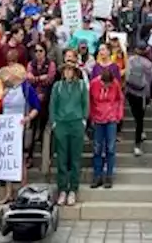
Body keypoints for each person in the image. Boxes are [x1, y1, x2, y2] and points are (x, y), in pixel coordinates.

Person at [0, 64, 40, 203]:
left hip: (19, 126)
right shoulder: (6, 88)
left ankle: (23, 190)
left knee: (20, 159)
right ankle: (8, 192)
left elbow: (36, 106)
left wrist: (28, 118)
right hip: (6, 127)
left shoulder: (26, 88)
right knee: (7, 159)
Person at [50, 59, 88, 207]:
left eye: (70, 70)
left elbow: (85, 103)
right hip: (61, 124)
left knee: (75, 158)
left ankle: (73, 189)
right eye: (65, 70)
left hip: (76, 122)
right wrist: (54, 122)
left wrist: (84, 119)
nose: (68, 72)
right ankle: (62, 189)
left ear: (75, 72)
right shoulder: (57, 86)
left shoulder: (81, 85)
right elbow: (53, 104)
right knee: (62, 159)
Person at [89, 65, 123, 189]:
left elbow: (119, 99)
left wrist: (118, 115)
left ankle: (109, 176)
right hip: (98, 118)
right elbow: (91, 100)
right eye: (105, 84)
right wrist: (91, 116)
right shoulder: (94, 84)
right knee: (97, 148)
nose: (107, 86)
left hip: (111, 118)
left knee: (110, 148)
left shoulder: (115, 84)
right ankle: (97, 176)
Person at [124, 44, 152, 157]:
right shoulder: (149, 64)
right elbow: (151, 79)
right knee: (140, 118)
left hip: (131, 92)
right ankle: (137, 144)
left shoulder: (130, 60)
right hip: (143, 94)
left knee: (137, 116)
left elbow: (127, 76)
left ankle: (139, 136)